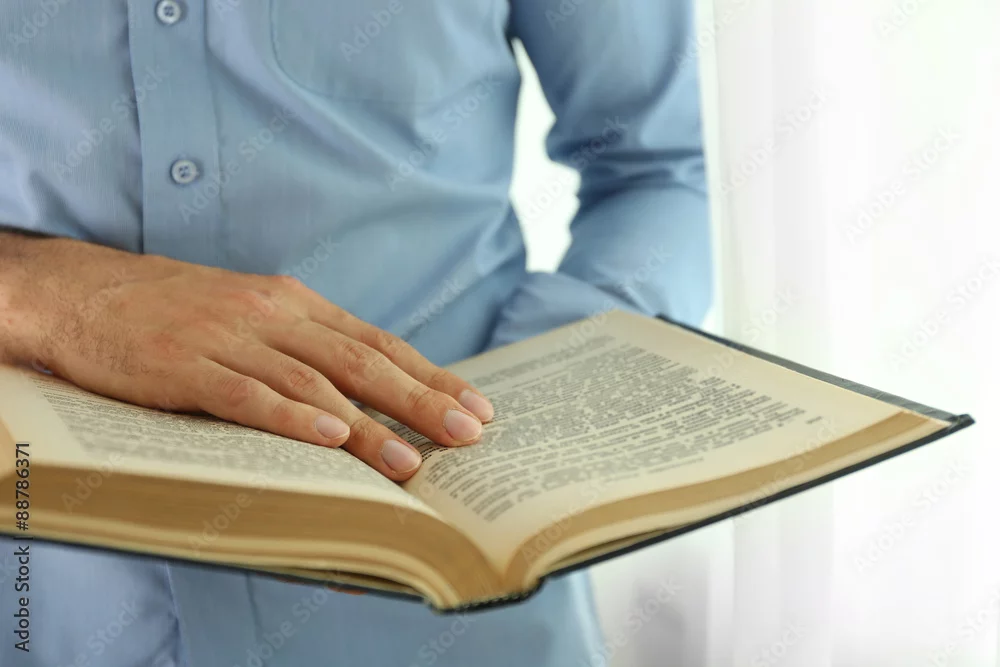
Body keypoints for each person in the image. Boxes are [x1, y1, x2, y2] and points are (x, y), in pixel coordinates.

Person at [0, 1, 711, 665]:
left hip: (457, 606)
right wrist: (47, 295)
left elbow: (667, 167)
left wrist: (524, 396)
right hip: (47, 601)